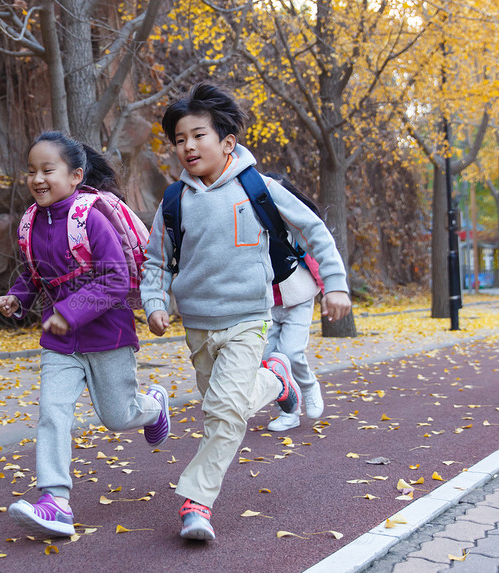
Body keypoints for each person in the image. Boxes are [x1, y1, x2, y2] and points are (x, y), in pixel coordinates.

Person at [140, 83, 352, 541]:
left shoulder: (259, 187)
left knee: (224, 410)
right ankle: (278, 379)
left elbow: (314, 230)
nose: (188, 146)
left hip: (248, 319)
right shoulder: (173, 202)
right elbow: (155, 259)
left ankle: (197, 502)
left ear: (227, 142)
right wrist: (155, 302)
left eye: (198, 135)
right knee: (219, 407)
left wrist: (335, 284)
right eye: (180, 139)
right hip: (197, 325)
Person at [0, 131, 170, 538]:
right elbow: (35, 274)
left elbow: (114, 279)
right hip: (59, 342)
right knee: (53, 412)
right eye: (31, 171)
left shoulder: (88, 217)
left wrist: (70, 314)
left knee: (117, 416)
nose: (37, 179)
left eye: (47, 170)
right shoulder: (31, 223)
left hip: (108, 334)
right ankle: (55, 501)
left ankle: (153, 407)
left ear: (75, 176)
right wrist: (16, 298)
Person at [261, 173, 326, 432]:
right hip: (266, 303)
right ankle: (288, 411)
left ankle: (309, 386)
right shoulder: (251, 225)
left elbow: (314, 257)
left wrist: (329, 291)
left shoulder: (294, 226)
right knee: (269, 360)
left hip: (298, 298)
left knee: (290, 352)